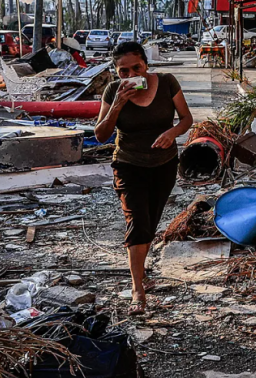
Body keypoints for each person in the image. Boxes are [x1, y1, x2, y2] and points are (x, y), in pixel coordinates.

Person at [94, 41, 194, 316]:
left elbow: (186, 118)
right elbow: (100, 135)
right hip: (128, 164)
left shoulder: (166, 82)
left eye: (135, 68)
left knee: (149, 222)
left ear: (145, 64)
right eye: (123, 71)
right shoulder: (113, 91)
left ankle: (141, 270)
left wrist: (172, 133)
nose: (130, 75)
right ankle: (138, 289)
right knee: (137, 222)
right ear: (117, 73)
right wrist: (117, 105)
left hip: (164, 165)